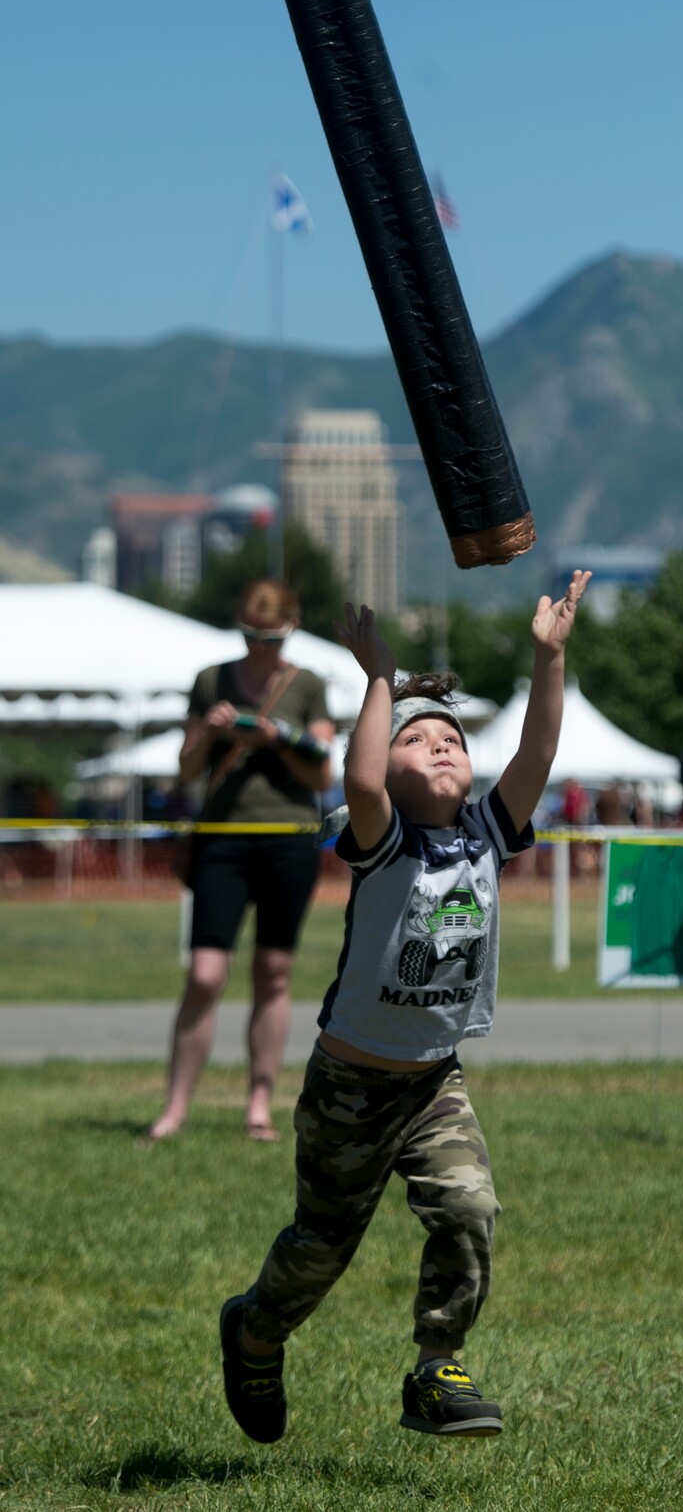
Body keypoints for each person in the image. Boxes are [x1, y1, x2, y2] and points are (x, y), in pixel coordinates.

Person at [217, 569, 590, 1442]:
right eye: (419, 740)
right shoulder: (383, 840)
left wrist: (547, 661)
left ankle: (436, 1367)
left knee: (468, 1210)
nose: (443, 747)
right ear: (384, 763)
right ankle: (255, 1331)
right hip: (350, 1084)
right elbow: (360, 774)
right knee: (321, 1249)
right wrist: (381, 677)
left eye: (453, 740)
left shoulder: (487, 834)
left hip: (433, 1081)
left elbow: (535, 755)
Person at [149, 579, 334, 1142]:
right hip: (222, 838)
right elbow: (185, 770)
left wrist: (278, 738)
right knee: (205, 974)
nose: (260, 648)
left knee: (273, 973)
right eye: (251, 637)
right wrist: (209, 729)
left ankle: (259, 1104)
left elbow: (322, 772)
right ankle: (175, 1109)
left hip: (287, 839)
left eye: (271, 638)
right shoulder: (211, 680)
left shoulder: (308, 686)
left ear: (291, 631)